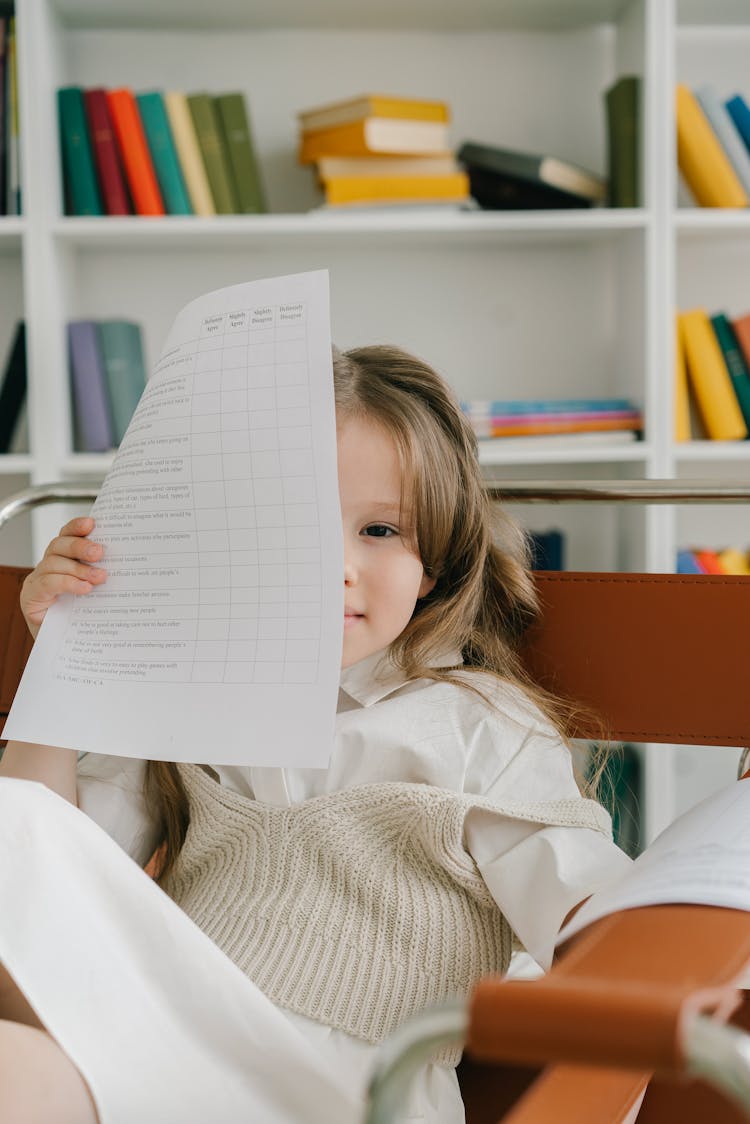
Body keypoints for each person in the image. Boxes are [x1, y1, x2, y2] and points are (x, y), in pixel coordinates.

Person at [0, 344, 631, 1124]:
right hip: (171, 1055)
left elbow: (598, 921)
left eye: (379, 529)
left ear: (432, 564)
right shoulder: (185, 704)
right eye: (291, 526)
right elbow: (41, 868)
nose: (334, 566)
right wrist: (66, 658)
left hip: (350, 1092)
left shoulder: (479, 726)